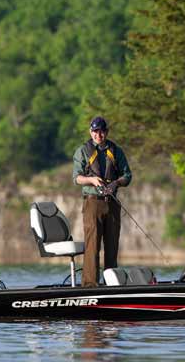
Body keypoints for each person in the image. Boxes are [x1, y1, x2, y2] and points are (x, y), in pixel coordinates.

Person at [72, 116, 132, 287]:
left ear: (107, 132)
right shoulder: (82, 151)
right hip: (92, 203)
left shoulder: (116, 151)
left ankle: (112, 283)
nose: (99, 134)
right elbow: (76, 178)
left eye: (102, 131)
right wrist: (92, 180)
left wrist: (116, 183)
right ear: (91, 132)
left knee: (112, 246)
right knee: (92, 246)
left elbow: (127, 176)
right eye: (96, 131)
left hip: (112, 203)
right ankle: (90, 285)